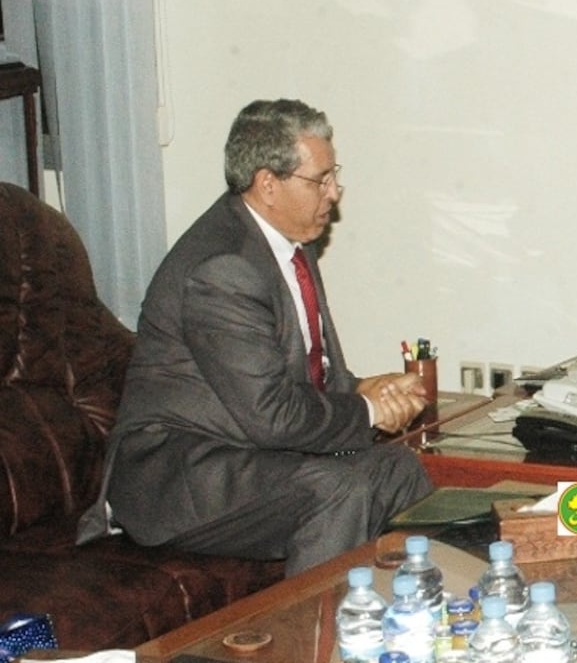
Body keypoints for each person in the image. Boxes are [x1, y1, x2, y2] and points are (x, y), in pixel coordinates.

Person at [77, 99, 433, 574]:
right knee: (335, 489)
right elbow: (273, 415)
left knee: (398, 469)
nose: (335, 191)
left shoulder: (287, 245)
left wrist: (366, 389)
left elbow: (304, 376)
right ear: (268, 184)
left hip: (245, 450)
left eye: (334, 175)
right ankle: (318, 641)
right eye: (320, 179)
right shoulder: (223, 267)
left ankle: (425, 621)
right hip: (181, 473)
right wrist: (368, 411)